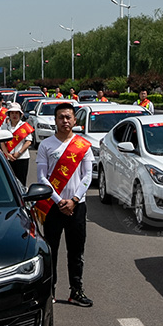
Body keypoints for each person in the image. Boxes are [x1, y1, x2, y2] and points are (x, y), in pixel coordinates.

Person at [35, 101, 94, 307]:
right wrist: (60, 201)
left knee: (76, 251)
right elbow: (42, 177)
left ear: (74, 120)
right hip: (53, 207)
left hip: (77, 206)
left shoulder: (83, 145)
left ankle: (75, 290)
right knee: (51, 250)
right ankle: (49, 291)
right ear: (55, 120)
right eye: (61, 117)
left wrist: (74, 200)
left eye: (68, 117)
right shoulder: (46, 145)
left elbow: (87, 176)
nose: (65, 121)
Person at [2, 101, 34, 186]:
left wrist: (19, 153)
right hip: (8, 158)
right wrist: (7, 154)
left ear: (20, 114)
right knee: (9, 182)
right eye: (12, 113)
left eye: (16, 113)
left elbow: (28, 141)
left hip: (22, 157)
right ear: (9, 114)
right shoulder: (4, 126)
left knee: (21, 181)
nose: (14, 115)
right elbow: (2, 142)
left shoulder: (25, 126)